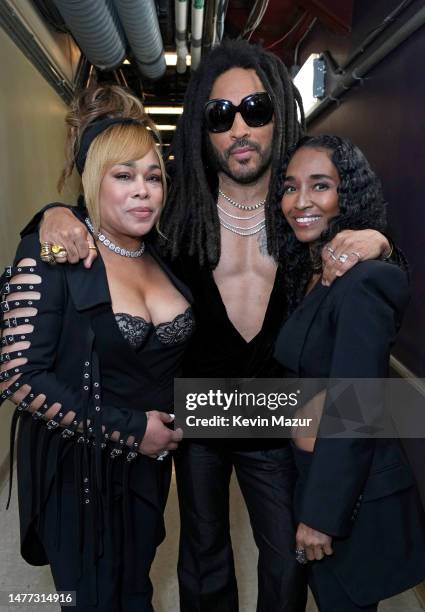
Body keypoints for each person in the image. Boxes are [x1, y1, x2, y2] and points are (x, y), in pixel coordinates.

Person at [18, 41, 397, 611]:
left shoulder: (302, 209)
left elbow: (375, 276)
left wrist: (382, 242)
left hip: (279, 411)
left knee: (286, 566)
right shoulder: (173, 209)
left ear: (279, 116)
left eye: (256, 109)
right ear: (203, 126)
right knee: (202, 557)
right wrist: (54, 213)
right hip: (194, 412)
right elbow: (107, 209)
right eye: (221, 115)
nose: (240, 127)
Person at [0, 84, 194, 611]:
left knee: (136, 589)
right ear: (93, 181)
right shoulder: (54, 250)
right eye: (124, 176)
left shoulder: (164, 253)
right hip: (79, 472)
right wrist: (133, 431)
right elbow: (18, 376)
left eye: (153, 177)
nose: (143, 191)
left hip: (150, 471)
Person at [274, 134, 425, 611]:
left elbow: (355, 408)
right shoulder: (319, 271)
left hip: (346, 491)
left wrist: (322, 515)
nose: (300, 202)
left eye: (320, 186)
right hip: (313, 473)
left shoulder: (363, 281)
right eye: (291, 186)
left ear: (349, 194)